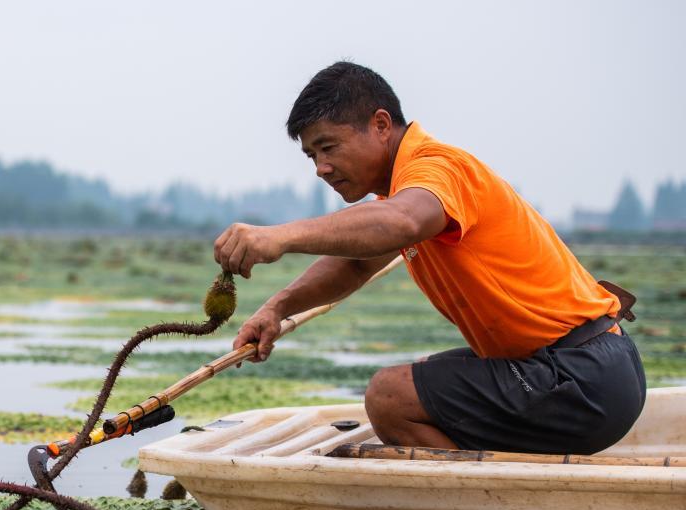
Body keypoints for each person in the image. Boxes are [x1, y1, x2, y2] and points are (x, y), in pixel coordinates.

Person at [213, 61, 645, 455]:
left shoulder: (437, 169)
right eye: (312, 155)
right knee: (422, 377)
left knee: (391, 396)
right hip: (570, 369)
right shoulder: (399, 192)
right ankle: (481, 476)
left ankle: (477, 499)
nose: (320, 168)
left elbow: (402, 221)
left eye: (328, 147)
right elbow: (356, 263)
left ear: (381, 125)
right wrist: (277, 308)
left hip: (583, 376)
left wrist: (281, 236)